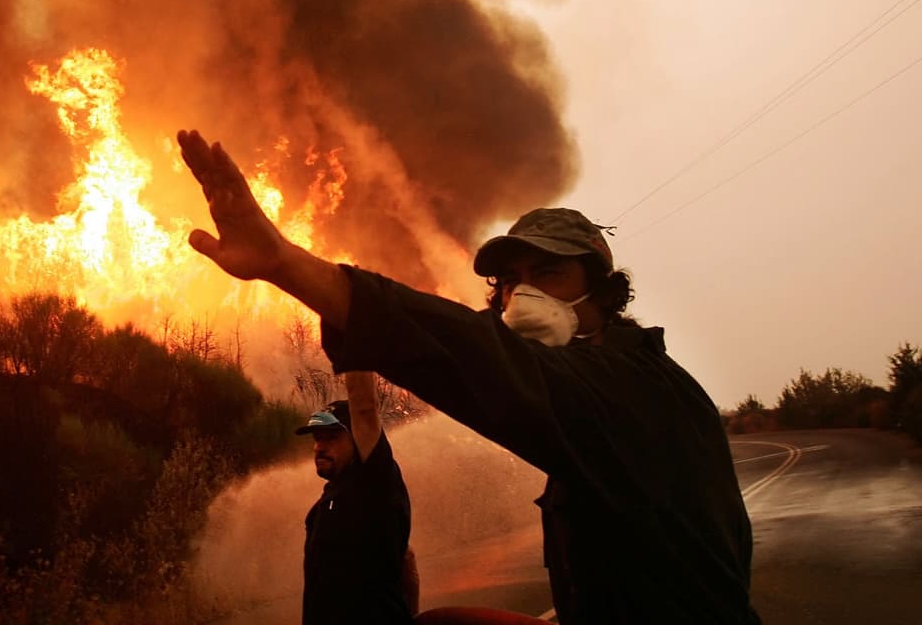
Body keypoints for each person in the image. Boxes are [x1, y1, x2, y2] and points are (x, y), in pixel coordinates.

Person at [176, 130, 761, 624]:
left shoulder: (634, 386)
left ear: (604, 291)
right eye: (509, 281)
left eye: (549, 273)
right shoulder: (598, 394)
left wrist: (290, 266)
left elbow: (473, 357)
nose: (520, 293)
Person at [297, 372, 414, 624]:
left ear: (358, 441)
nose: (319, 446)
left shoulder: (374, 482)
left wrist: (352, 341)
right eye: (318, 438)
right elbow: (406, 559)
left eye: (332, 436)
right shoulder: (323, 506)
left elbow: (363, 407)